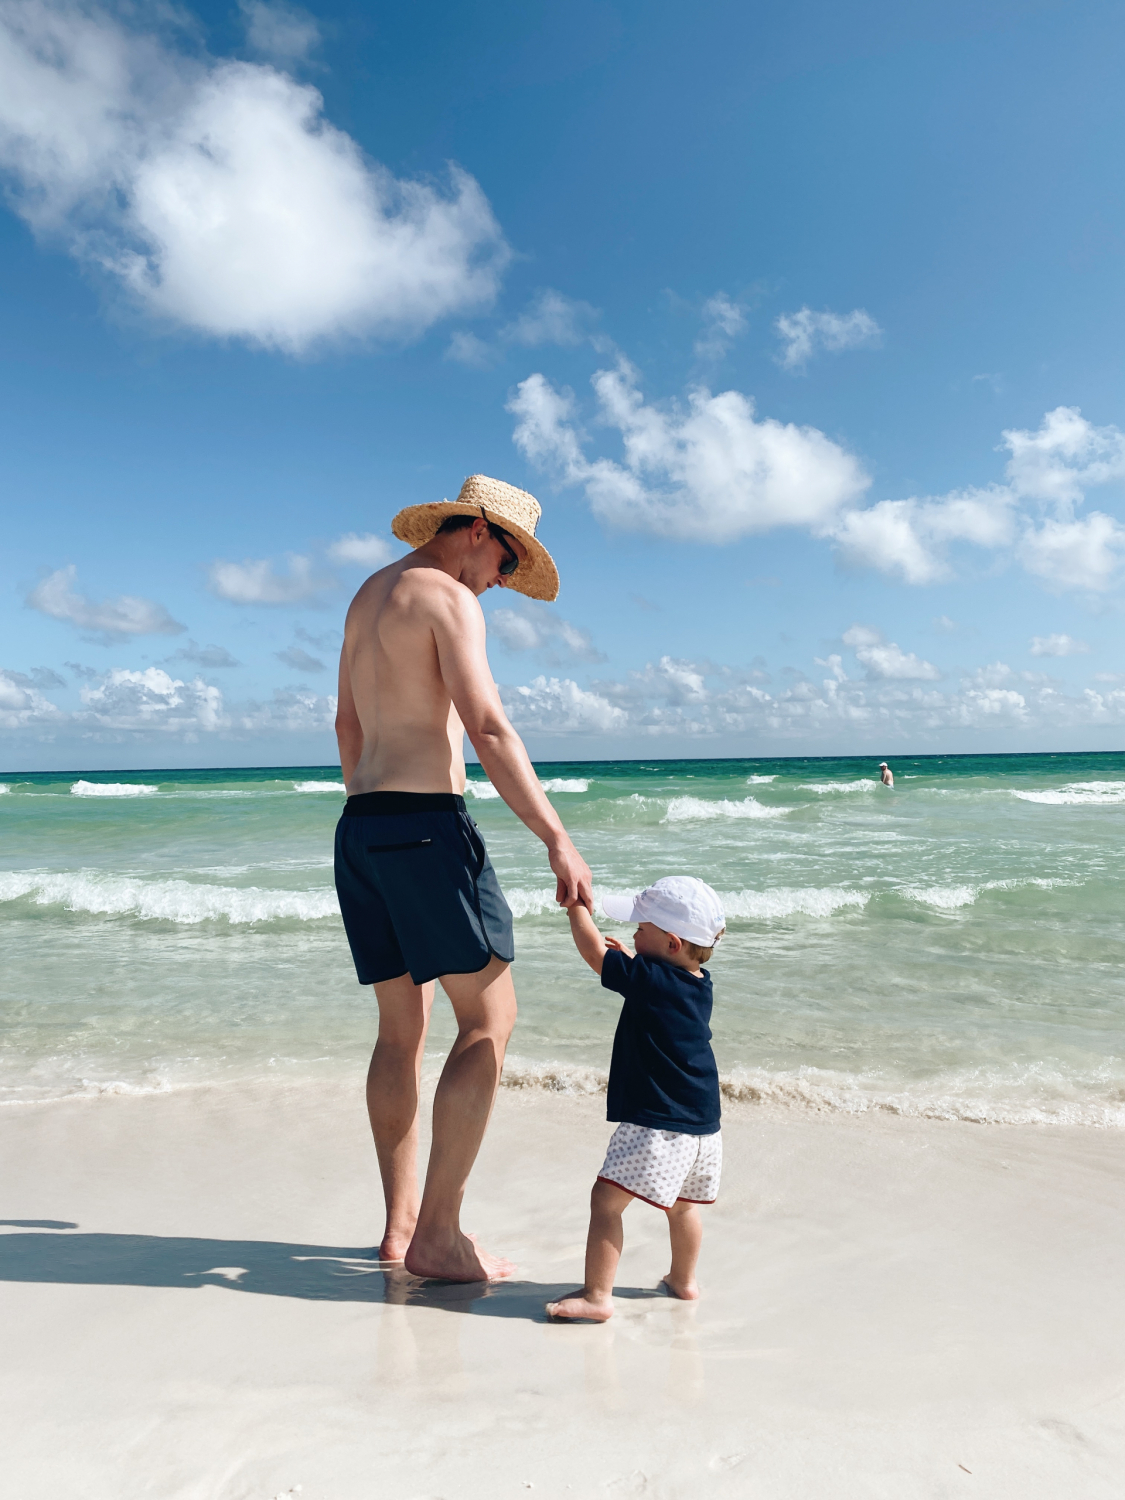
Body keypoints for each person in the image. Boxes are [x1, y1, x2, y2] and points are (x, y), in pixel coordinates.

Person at [333, 474, 593, 1283]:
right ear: (477, 530)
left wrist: (377, 815)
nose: (504, 580)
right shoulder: (447, 598)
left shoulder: (368, 594)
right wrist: (556, 837)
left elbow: (347, 724)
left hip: (361, 827)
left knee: (398, 1032)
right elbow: (485, 724)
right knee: (488, 1020)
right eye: (509, 559)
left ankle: (400, 1228)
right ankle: (439, 1237)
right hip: (424, 826)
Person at [546, 877, 726, 1323]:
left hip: (658, 1125)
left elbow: (593, 954)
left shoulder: (650, 979)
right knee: (683, 1207)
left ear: (670, 942)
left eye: (640, 928)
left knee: (605, 1203)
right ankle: (683, 1281)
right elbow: (660, 982)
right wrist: (634, 958)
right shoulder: (697, 982)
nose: (632, 935)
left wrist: (576, 908)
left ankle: (597, 1297)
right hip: (703, 1126)